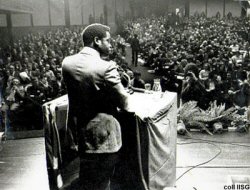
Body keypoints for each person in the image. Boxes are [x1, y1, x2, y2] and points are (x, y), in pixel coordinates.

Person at [62, 23, 129, 190]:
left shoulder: (67, 63)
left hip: (80, 132)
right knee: (103, 181)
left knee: (88, 178)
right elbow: (124, 102)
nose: (111, 44)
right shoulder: (106, 67)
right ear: (97, 40)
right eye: (108, 40)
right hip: (104, 136)